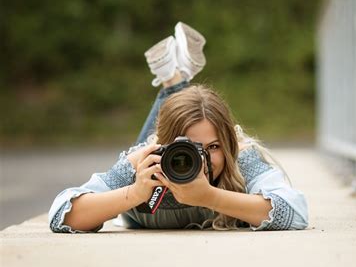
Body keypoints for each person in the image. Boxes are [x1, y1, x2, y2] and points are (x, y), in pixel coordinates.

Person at [48, 22, 309, 232]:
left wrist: (209, 196)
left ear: (228, 144)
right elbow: (61, 213)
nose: (203, 158)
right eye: (189, 148)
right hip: (156, 149)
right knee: (180, 118)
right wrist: (134, 193)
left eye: (214, 146)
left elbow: (296, 212)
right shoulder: (145, 160)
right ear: (164, 147)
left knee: (188, 115)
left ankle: (173, 80)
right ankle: (174, 81)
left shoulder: (238, 158)